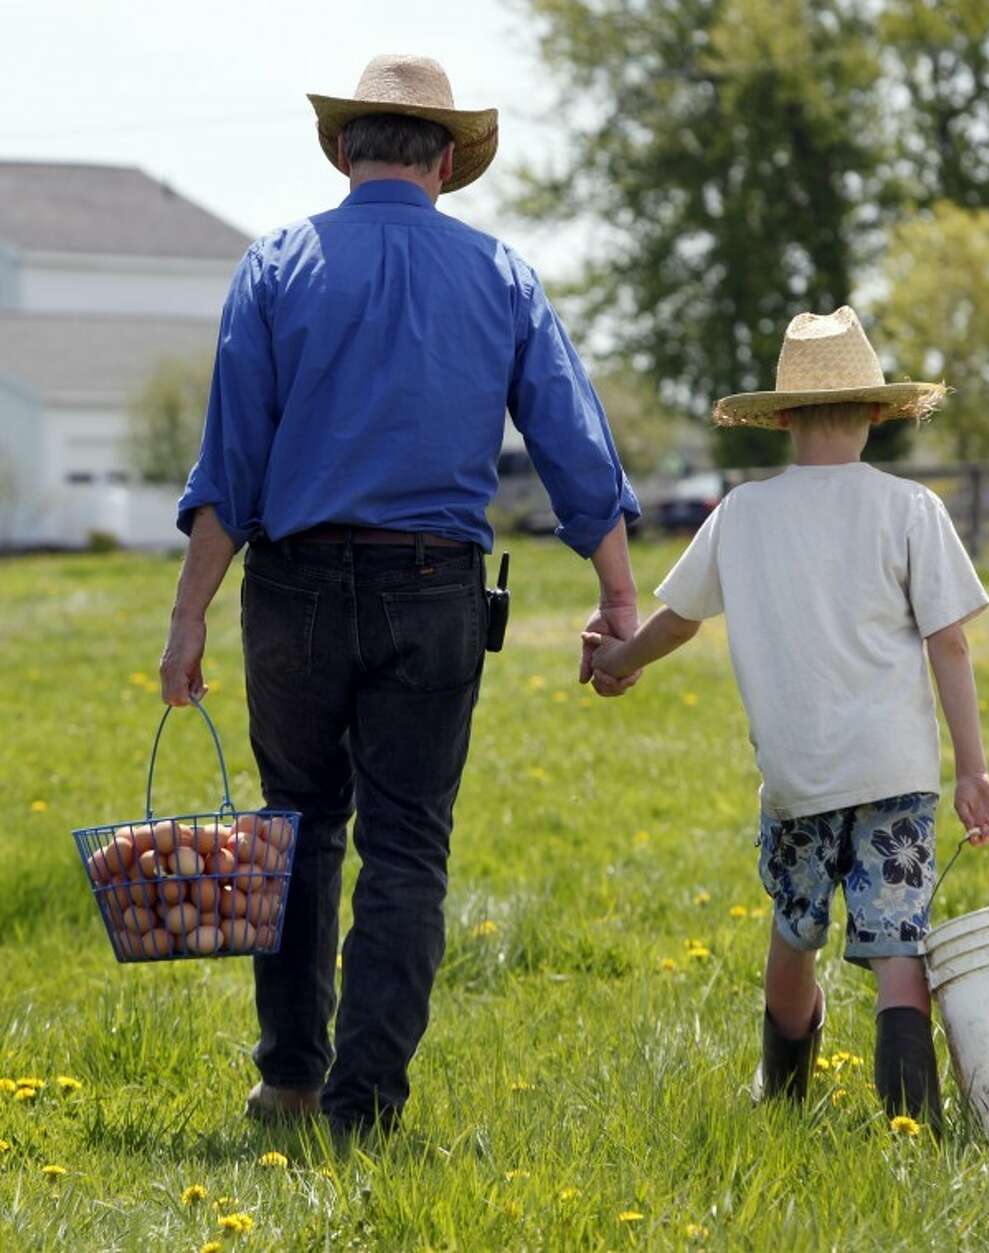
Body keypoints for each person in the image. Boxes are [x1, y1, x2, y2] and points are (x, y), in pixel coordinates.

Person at [158, 54, 640, 1138]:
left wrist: (188, 616)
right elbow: (572, 440)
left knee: (296, 830)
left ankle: (288, 1076)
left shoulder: (276, 264)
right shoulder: (501, 273)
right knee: (409, 845)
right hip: (433, 590)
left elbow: (229, 466)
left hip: (291, 591)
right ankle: (362, 1103)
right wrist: (617, 592)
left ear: (342, 150)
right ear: (448, 160)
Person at [582, 307, 989, 1134]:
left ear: (779, 417)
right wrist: (973, 768)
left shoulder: (742, 512)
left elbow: (678, 618)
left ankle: (780, 1096)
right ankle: (909, 1123)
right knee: (897, 943)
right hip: (897, 771)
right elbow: (949, 643)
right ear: (880, 412)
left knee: (794, 930)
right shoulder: (910, 508)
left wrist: (616, 662)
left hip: (797, 774)